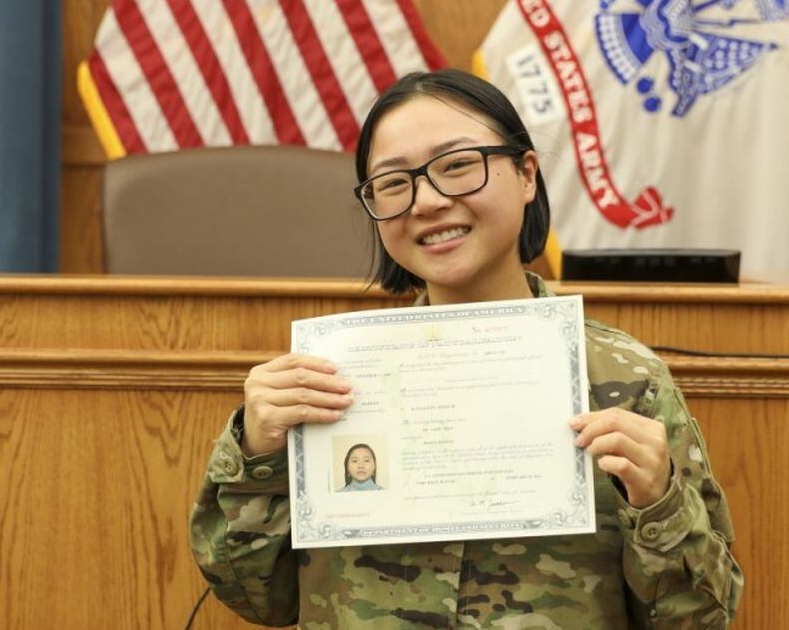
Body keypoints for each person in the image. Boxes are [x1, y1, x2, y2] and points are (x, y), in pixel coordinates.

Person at [189, 69, 743, 628]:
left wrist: (658, 503)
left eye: (457, 165)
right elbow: (257, 598)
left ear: (526, 174)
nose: (426, 202)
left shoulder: (626, 381)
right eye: (394, 183)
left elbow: (702, 619)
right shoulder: (328, 381)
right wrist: (256, 455)